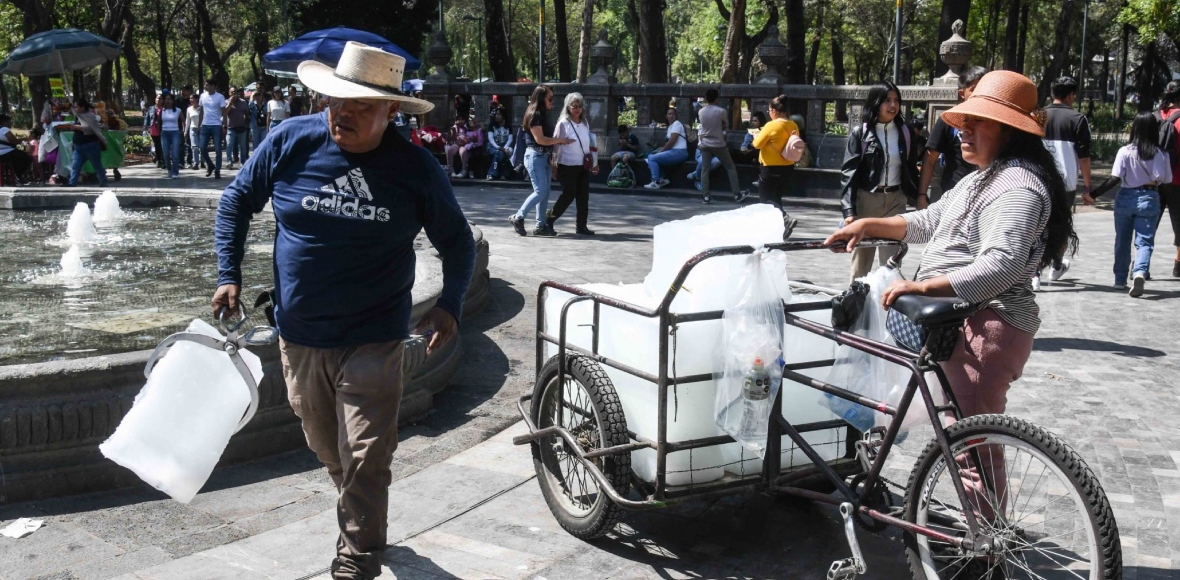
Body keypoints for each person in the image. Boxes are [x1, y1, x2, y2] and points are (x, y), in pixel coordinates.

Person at [212, 41, 474, 580]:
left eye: (359, 105)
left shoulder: (415, 169)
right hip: (300, 333)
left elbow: (459, 242)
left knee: (367, 451)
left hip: (374, 336)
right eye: (335, 100)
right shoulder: (290, 141)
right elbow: (236, 200)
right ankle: (361, 512)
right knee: (329, 448)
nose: (342, 113)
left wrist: (449, 304)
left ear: (391, 112)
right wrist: (228, 273)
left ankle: (356, 558)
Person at [825, 70, 1077, 523]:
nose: (964, 128)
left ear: (1010, 130)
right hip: (956, 325)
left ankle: (985, 548)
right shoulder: (983, 178)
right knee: (963, 439)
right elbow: (928, 220)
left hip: (986, 327)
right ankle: (979, 538)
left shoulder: (1019, 186)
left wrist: (922, 285)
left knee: (973, 451)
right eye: (966, 120)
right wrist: (866, 225)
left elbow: (1000, 265)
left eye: (979, 122)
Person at [837, 81, 919, 282]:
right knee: (861, 265)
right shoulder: (861, 133)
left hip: (895, 201)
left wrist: (919, 197)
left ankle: (887, 309)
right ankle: (855, 309)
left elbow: (910, 168)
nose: (892, 105)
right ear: (875, 102)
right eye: (887, 100)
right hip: (867, 200)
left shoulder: (905, 132)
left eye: (896, 100)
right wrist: (849, 211)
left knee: (891, 263)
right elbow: (849, 173)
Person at [1095, 113, 1173, 296]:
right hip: (1150, 197)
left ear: (1135, 128)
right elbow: (1167, 179)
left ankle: (1119, 280)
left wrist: (1093, 194)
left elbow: (1115, 178)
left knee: (1122, 239)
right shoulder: (1161, 154)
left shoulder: (1124, 151)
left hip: (1125, 197)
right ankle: (1139, 272)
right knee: (1145, 242)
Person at [1036, 76, 1092, 289]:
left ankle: (1034, 273)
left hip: (1038, 180)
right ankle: (1056, 265)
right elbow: (1084, 157)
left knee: (1037, 226)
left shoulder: (1039, 116)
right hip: (1065, 183)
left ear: (1052, 93)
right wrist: (1087, 187)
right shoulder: (1078, 119)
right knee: (1060, 227)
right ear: (1071, 95)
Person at [508, 85, 575, 237]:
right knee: (540, 191)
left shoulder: (543, 114)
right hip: (535, 155)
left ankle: (541, 225)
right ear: (541, 99)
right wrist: (561, 140)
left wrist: (552, 155)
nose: (552, 102)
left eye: (553, 99)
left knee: (545, 192)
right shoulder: (535, 114)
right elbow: (540, 139)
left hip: (544, 156)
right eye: (550, 99)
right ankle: (518, 217)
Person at [918, 66, 988, 205]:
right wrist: (922, 195)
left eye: (984, 87)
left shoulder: (998, 120)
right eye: (974, 89)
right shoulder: (948, 120)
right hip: (954, 192)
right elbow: (930, 159)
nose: (980, 93)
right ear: (962, 93)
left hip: (988, 192)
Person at [549, 92, 599, 235]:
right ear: (568, 107)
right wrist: (554, 165)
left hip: (582, 165)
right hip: (567, 165)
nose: (577, 109)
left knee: (583, 196)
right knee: (568, 195)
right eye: (574, 106)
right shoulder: (563, 124)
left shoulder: (584, 123)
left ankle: (581, 225)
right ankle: (549, 219)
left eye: (579, 106)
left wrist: (595, 162)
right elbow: (556, 146)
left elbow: (591, 143)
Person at [696, 88, 749, 204]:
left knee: (705, 169)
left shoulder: (701, 111)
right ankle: (737, 194)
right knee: (730, 167)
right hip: (718, 143)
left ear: (706, 98)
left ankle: (705, 195)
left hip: (705, 143)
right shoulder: (721, 111)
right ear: (716, 98)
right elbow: (726, 124)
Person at [752, 95, 803, 211]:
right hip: (788, 166)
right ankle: (781, 223)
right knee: (776, 197)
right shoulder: (793, 125)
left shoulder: (770, 125)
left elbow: (757, 144)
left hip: (770, 167)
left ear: (774, 111)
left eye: (769, 110)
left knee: (765, 199)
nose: (769, 113)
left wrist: (756, 136)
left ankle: (784, 217)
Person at [1153, 81, 1180, 278]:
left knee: (1148, 223)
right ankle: (1178, 265)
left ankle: (1140, 265)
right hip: (1177, 178)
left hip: (1153, 179)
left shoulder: (1153, 116)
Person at [60, 97, 108, 187]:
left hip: (90, 145)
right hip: (78, 146)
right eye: (74, 107)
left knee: (97, 165)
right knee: (75, 166)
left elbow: (91, 129)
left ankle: (103, 180)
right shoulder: (78, 117)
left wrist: (76, 127)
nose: (75, 109)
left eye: (76, 107)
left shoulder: (90, 116)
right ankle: (72, 182)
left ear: (82, 107)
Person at [643, 108, 689, 189]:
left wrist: (662, 150)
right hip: (673, 151)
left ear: (676, 116)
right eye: (669, 114)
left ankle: (655, 181)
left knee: (652, 158)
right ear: (666, 116)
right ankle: (662, 179)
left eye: (673, 114)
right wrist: (659, 150)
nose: (671, 116)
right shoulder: (670, 127)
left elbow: (672, 140)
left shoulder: (677, 124)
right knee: (649, 157)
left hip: (679, 152)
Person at [198, 78, 228, 179]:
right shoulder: (202, 96)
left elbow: (224, 112)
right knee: (202, 147)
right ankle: (210, 165)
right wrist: (199, 124)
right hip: (205, 125)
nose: (206, 86)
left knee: (218, 149)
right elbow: (201, 110)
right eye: (205, 85)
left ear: (213, 86)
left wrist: (225, 125)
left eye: (208, 85)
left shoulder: (220, 97)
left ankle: (218, 170)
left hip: (216, 125)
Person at [0, 115, 33, 182]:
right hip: (6, 152)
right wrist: (26, 139)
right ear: (4, 122)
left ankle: (13, 175)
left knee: (18, 158)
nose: (10, 123)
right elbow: (14, 141)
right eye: (9, 122)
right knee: (27, 158)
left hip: (3, 153)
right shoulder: (4, 129)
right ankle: (17, 175)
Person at [158, 93, 184, 179]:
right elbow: (159, 122)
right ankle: (169, 169)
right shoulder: (162, 110)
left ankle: (175, 172)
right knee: (166, 154)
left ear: (173, 101)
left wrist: (183, 131)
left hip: (175, 133)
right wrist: (159, 132)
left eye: (169, 99)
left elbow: (183, 121)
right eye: (166, 99)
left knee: (175, 154)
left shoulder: (178, 110)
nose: (167, 101)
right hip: (164, 133)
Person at [224, 86, 250, 169]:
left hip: (241, 127)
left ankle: (243, 162)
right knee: (229, 145)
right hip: (231, 128)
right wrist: (231, 102)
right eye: (232, 92)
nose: (234, 94)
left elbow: (246, 113)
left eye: (235, 92)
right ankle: (229, 162)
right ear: (229, 93)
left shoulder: (243, 102)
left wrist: (246, 123)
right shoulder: (226, 102)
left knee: (242, 146)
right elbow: (225, 112)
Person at [485, 110, 514, 181]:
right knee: (498, 152)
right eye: (496, 115)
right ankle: (499, 174)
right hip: (493, 146)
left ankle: (491, 174)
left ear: (503, 116)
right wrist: (498, 147)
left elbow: (510, 139)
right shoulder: (492, 126)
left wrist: (504, 148)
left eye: (499, 114)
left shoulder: (508, 127)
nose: (496, 116)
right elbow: (491, 139)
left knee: (503, 153)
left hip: (505, 147)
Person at [145, 94, 164, 168]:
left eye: (160, 99)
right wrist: (145, 126)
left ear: (162, 100)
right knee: (157, 145)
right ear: (155, 100)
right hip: (154, 129)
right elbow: (147, 118)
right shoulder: (151, 108)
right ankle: (159, 160)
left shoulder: (164, 109)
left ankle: (161, 159)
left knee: (161, 145)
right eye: (157, 98)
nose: (159, 100)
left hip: (162, 128)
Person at [186, 94, 203, 169]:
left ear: (196, 99)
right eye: (190, 98)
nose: (191, 100)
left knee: (202, 147)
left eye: (192, 98)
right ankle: (196, 163)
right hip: (192, 128)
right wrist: (185, 131)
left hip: (202, 128)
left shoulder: (202, 108)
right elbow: (187, 121)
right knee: (194, 147)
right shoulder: (189, 109)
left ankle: (203, 162)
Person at [179, 85, 195, 166]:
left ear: (189, 91)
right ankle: (181, 162)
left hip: (191, 124)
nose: (182, 92)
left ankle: (189, 161)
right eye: (182, 90)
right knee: (181, 144)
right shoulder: (178, 101)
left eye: (184, 90)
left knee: (190, 144)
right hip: (180, 125)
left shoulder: (192, 101)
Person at [248, 89, 268, 154]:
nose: (257, 97)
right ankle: (255, 157)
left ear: (261, 96)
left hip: (264, 127)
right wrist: (252, 96)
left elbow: (268, 114)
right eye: (256, 95)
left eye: (259, 95)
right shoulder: (253, 105)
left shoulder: (265, 105)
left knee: (263, 143)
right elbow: (249, 106)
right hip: (255, 127)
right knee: (255, 144)